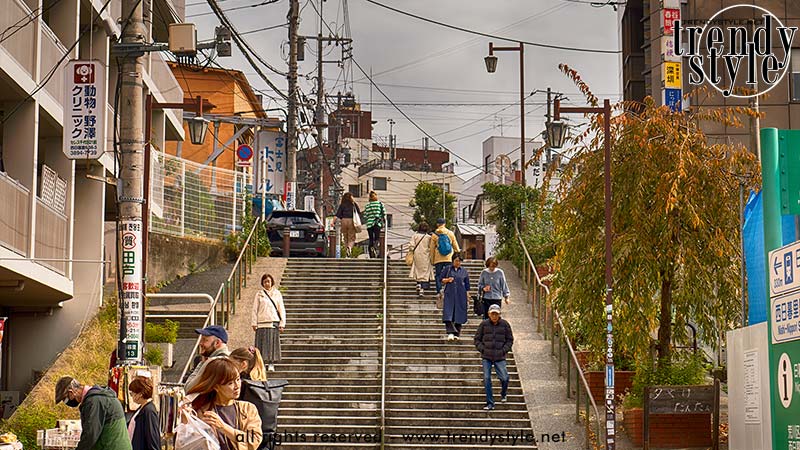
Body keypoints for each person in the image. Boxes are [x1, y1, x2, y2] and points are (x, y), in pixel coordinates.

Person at [184, 358, 263, 450]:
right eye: (230, 383)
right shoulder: (203, 411)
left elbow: (254, 439)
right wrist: (186, 420)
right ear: (216, 387)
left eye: (238, 379)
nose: (237, 386)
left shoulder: (247, 408)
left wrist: (224, 427)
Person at [55, 376, 133, 450]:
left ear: (71, 392)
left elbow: (90, 434)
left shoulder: (94, 401)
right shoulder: (97, 397)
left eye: (65, 399)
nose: (66, 402)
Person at [474, 303, 514, 410]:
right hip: (486, 356)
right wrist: (482, 349)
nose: (494, 316)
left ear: (499, 314)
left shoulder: (505, 325)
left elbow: (510, 340)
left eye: (496, 314)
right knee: (487, 378)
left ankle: (503, 393)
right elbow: (477, 339)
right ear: (489, 314)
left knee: (504, 378)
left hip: (499, 356)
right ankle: (490, 403)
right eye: (492, 314)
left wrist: (503, 350)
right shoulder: (484, 324)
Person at [252, 274, 286, 372]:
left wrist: (282, 323)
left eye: (268, 281)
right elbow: (255, 309)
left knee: (271, 344)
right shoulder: (259, 294)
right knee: (261, 345)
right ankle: (260, 364)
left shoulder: (277, 293)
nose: (267, 283)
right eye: (265, 281)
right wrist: (254, 322)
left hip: (273, 322)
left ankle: (271, 363)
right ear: (262, 283)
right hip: (261, 322)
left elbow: (281, 309)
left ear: (272, 282)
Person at [184, 325, 231, 391]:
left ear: (217, 343)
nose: (200, 343)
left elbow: (189, 388)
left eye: (205, 340)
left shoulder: (214, 363)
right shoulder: (228, 359)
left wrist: (202, 363)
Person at [430, 218, 461, 302]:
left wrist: (432, 260)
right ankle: (448, 289)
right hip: (448, 257)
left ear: (437, 224)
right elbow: (455, 244)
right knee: (449, 273)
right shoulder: (450, 233)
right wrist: (457, 252)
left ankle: (439, 290)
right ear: (445, 224)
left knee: (438, 275)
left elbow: (432, 248)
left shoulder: (434, 235)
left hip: (438, 258)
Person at [441, 255, 470, 341]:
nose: (458, 263)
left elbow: (467, 284)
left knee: (459, 313)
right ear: (453, 261)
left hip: (461, 295)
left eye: (459, 261)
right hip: (449, 294)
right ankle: (450, 332)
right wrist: (447, 280)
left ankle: (457, 333)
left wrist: (467, 295)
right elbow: (440, 279)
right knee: (448, 313)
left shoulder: (464, 271)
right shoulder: (448, 269)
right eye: (456, 261)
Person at [127, 376, 160, 450]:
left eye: (132, 393)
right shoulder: (142, 408)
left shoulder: (149, 411)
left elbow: (152, 439)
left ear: (140, 394)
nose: (131, 396)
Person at [408, 222, 434, 296]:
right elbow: (431, 247)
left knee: (417, 270)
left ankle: (418, 283)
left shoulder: (415, 236)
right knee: (425, 271)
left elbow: (411, 246)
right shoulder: (429, 237)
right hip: (426, 255)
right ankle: (422, 287)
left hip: (417, 255)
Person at [334, 192, 361, 257]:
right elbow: (358, 213)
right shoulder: (354, 204)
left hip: (343, 221)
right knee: (351, 238)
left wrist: (332, 222)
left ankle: (347, 253)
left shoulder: (342, 205)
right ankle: (349, 248)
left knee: (345, 238)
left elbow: (337, 215)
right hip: (352, 221)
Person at [361, 191, 387, 258]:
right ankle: (375, 247)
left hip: (369, 224)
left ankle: (371, 252)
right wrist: (384, 221)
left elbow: (365, 216)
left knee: (371, 239)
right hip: (377, 223)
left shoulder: (367, 205)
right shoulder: (380, 204)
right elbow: (384, 213)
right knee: (377, 238)